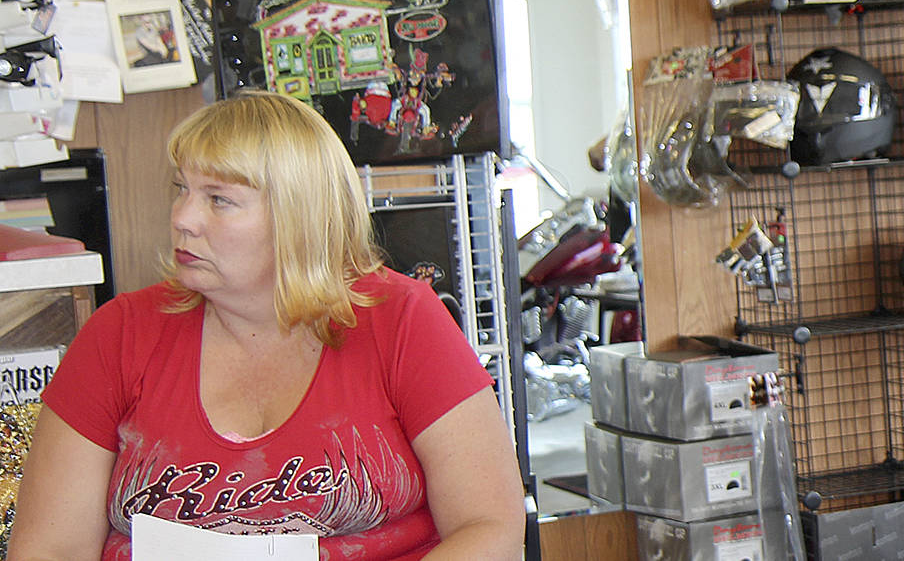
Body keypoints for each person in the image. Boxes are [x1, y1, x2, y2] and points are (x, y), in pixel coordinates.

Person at [8, 91, 525, 560]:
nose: (183, 217)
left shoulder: (403, 319)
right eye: (182, 189)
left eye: (219, 199)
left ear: (297, 217)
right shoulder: (119, 334)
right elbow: (49, 549)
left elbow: (490, 526)